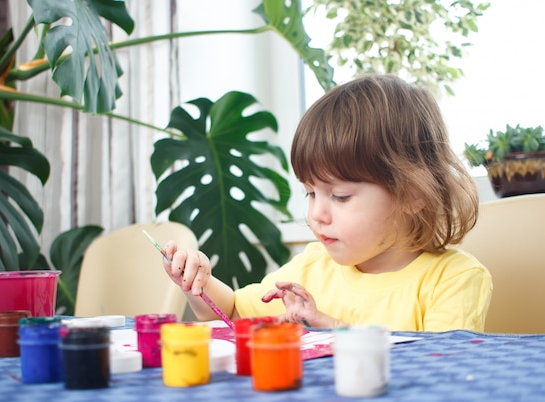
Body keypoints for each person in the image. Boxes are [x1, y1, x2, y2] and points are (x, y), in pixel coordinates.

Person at [162, 74, 492, 332]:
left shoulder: (453, 279)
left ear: (413, 194)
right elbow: (233, 313)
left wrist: (333, 328)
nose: (316, 214)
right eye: (310, 193)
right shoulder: (311, 268)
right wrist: (198, 283)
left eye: (340, 196)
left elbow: (442, 368)